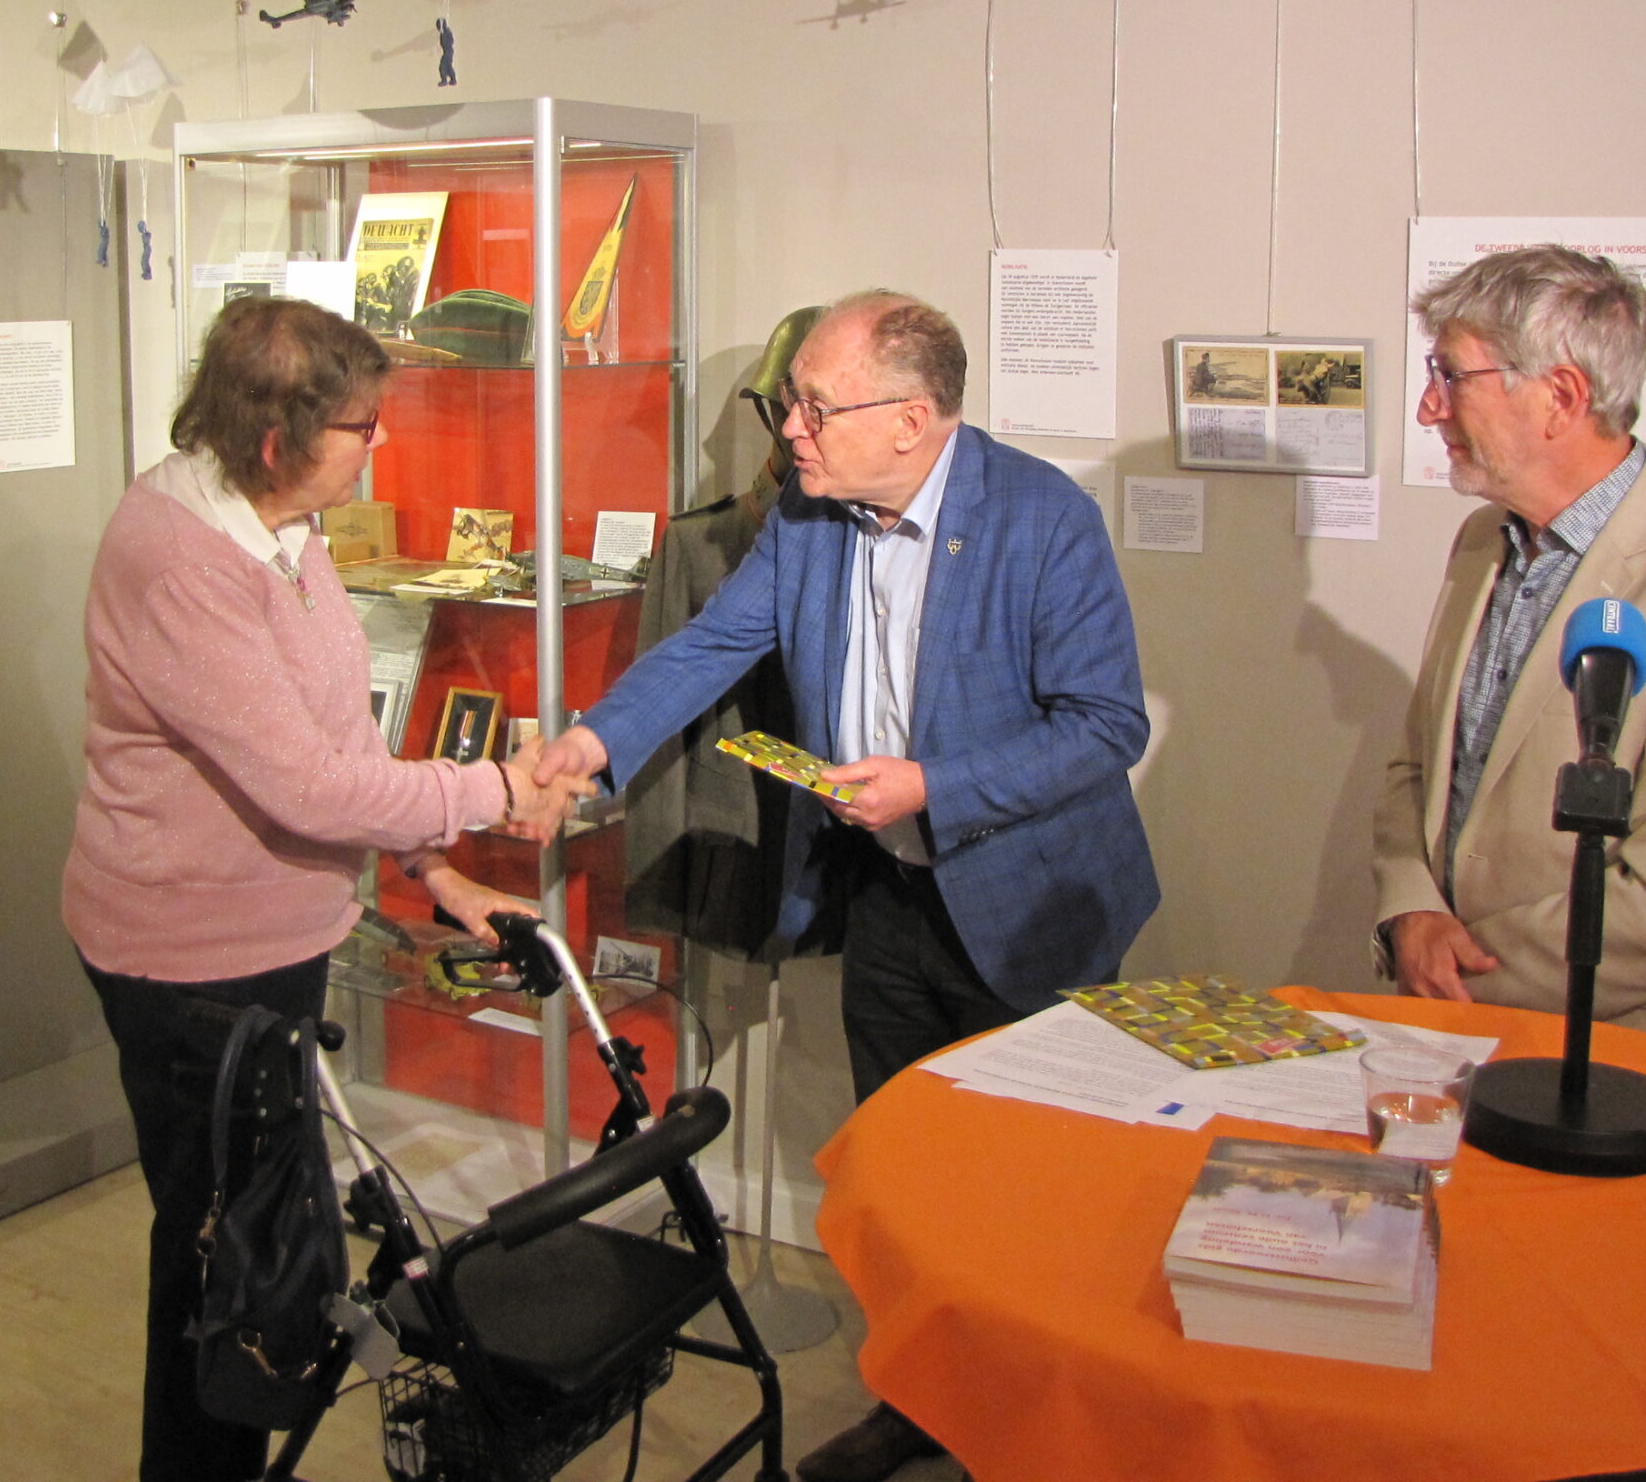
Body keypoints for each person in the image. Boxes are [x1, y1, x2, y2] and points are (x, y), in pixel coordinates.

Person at [530, 290, 1156, 1482]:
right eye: (789, 403)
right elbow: (714, 643)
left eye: (814, 406)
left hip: (1034, 915)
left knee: (1038, 1200)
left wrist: (934, 784)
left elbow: (1103, 728)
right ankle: (923, 1406)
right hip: (889, 904)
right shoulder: (812, 518)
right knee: (910, 1187)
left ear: (913, 421)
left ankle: (1034, 1439)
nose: (791, 432)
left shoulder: (1042, 520)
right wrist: (593, 743)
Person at [63, 296, 566, 1482]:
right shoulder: (185, 557)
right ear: (278, 438)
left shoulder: (276, 527)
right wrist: (491, 789)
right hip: (191, 965)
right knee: (219, 1269)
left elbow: (336, 737)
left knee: (262, 1250)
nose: (378, 445)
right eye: (361, 427)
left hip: (260, 949)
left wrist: (438, 875)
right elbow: (302, 785)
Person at [1374, 246, 1646, 1055]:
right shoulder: (1484, 544)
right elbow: (1420, 769)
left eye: (1451, 376)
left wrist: (1459, 976)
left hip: (1620, 1058)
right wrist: (1411, 911)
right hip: (1447, 1035)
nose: (1429, 410)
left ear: (1561, 396)